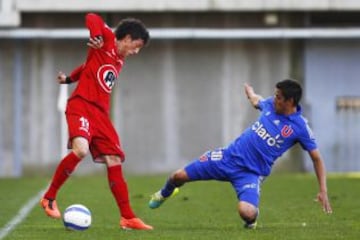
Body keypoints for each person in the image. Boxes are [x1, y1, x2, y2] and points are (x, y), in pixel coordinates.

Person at [148, 79, 332, 229]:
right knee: (177, 176)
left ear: (290, 101)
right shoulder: (270, 105)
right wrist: (251, 93)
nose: (274, 98)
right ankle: (164, 194)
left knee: (247, 212)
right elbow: (257, 101)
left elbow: (316, 158)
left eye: (278, 97)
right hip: (227, 158)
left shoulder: (300, 127)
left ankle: (253, 219)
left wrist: (323, 190)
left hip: (251, 173)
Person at [40, 13, 153, 230]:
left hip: (101, 115)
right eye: (136, 46)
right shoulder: (108, 39)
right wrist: (96, 36)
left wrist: (69, 79)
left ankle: (128, 217)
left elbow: (87, 65)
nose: (136, 52)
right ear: (127, 38)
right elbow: (92, 17)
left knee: (114, 159)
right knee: (80, 150)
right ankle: (49, 198)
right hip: (81, 105)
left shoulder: (120, 59)